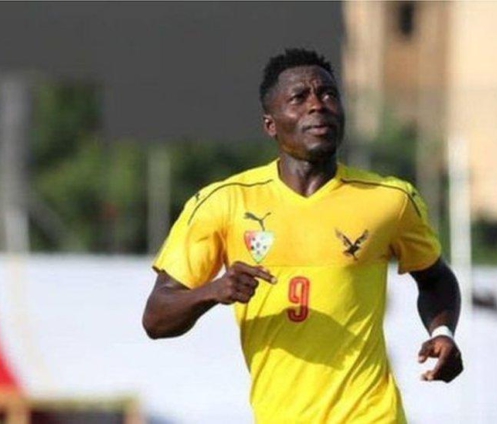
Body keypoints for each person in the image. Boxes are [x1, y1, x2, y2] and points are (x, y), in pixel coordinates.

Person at [143, 48, 463, 423]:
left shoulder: (389, 199)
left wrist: (443, 331)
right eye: (299, 97)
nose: (317, 105)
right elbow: (156, 318)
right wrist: (213, 291)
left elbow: (435, 277)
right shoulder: (225, 203)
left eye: (328, 94)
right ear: (270, 124)